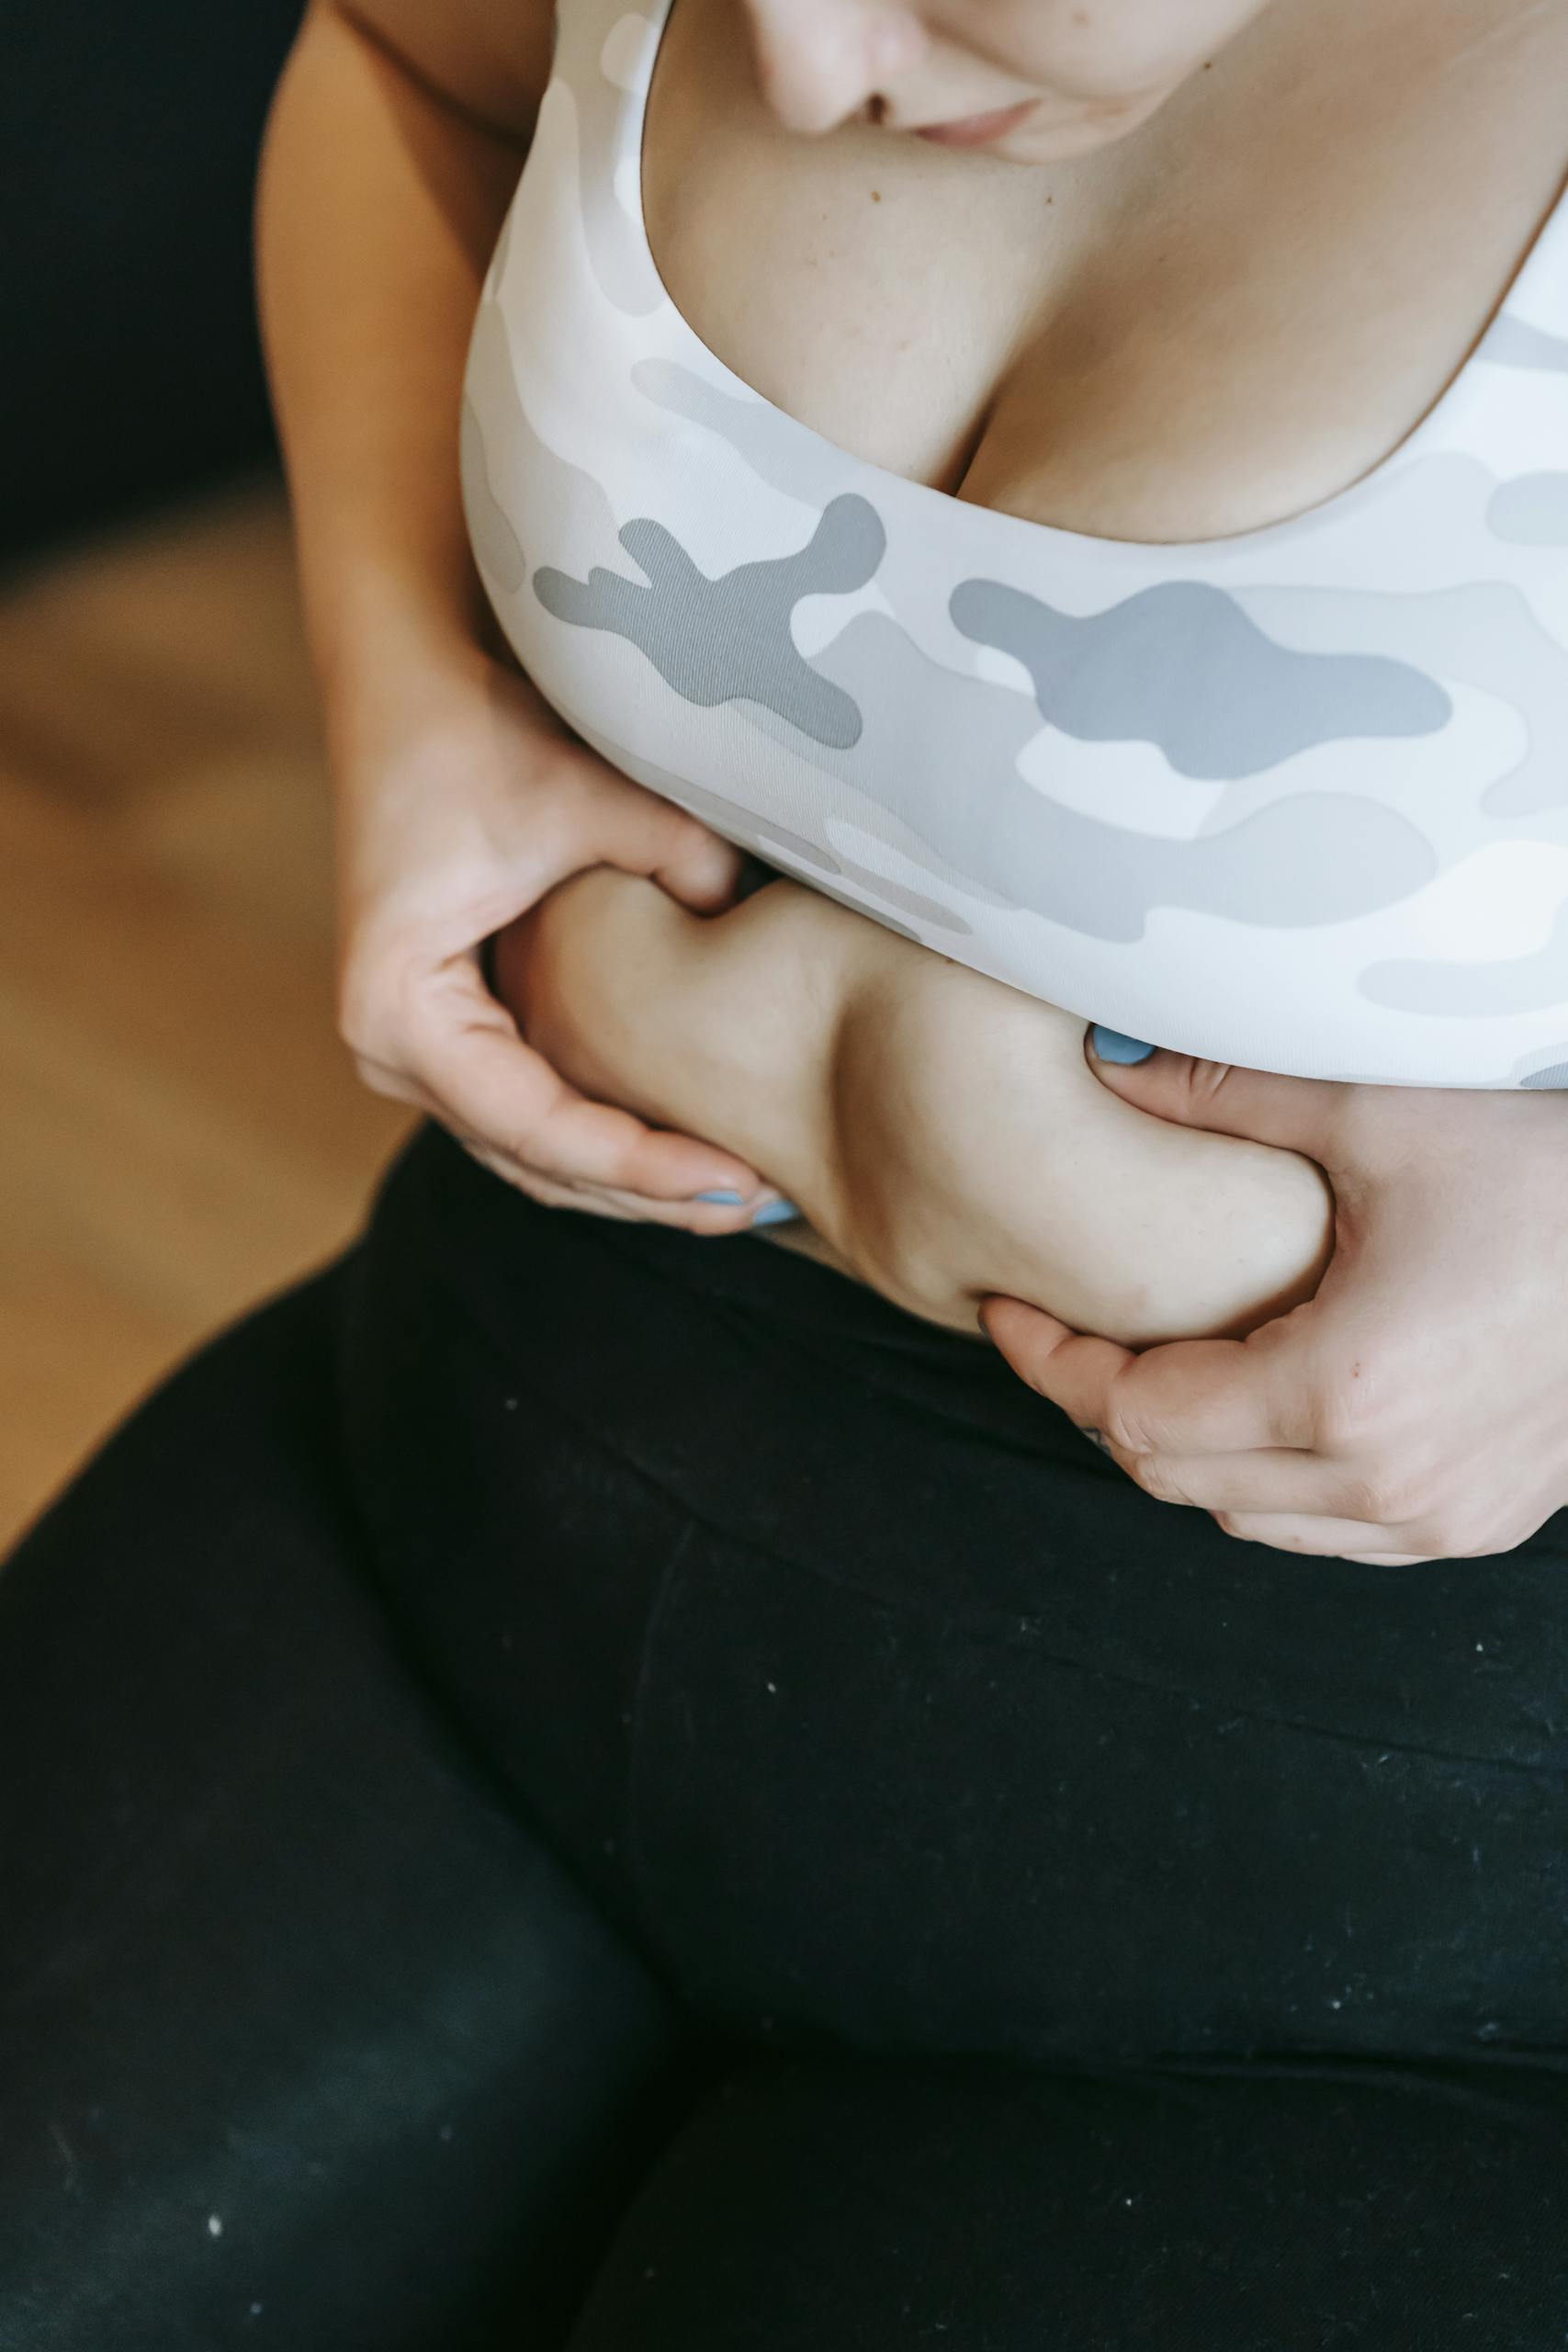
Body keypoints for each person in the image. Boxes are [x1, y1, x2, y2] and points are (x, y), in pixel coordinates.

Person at [3, 1, 1567, 2343]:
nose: (814, 62)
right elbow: (400, 65)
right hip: (485, 1477)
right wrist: (405, 680)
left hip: (1338, 1926)